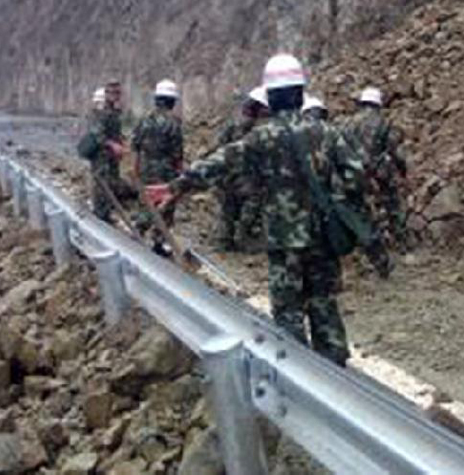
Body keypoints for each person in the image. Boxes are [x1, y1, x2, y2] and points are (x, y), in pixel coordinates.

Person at [147, 54, 365, 366]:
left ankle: (300, 375)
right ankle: (336, 372)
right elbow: (356, 175)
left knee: (289, 309)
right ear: (301, 94)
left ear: (271, 98)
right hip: (323, 236)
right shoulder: (327, 132)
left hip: (283, 237)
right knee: (323, 301)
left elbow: (220, 163)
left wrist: (176, 186)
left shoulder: (261, 137)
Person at [343, 86, 408, 248]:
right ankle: (400, 240)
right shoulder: (384, 123)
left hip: (355, 173)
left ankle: (365, 244)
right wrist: (402, 169)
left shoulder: (349, 123)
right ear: (378, 104)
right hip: (380, 172)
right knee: (392, 205)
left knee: (359, 208)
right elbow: (394, 149)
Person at [131, 79, 184, 255]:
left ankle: (138, 229)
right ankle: (158, 242)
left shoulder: (144, 120)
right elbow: (177, 154)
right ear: (171, 101)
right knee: (166, 205)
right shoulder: (174, 123)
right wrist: (180, 174)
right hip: (166, 171)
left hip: (146, 168)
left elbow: (136, 147)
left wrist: (135, 169)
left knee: (147, 200)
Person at [215, 86, 271, 251]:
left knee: (227, 210)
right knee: (249, 209)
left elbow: (219, 147)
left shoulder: (233, 125)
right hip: (248, 179)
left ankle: (224, 241)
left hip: (229, 176)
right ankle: (243, 239)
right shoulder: (258, 130)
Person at [79, 80, 136, 222]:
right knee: (101, 184)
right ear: (106, 93)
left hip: (111, 156)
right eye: (112, 92)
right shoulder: (100, 112)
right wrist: (113, 145)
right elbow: (98, 135)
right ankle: (100, 215)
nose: (115, 95)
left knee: (111, 183)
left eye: (117, 92)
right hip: (101, 155)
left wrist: (121, 143)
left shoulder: (115, 112)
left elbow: (115, 132)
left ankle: (106, 213)